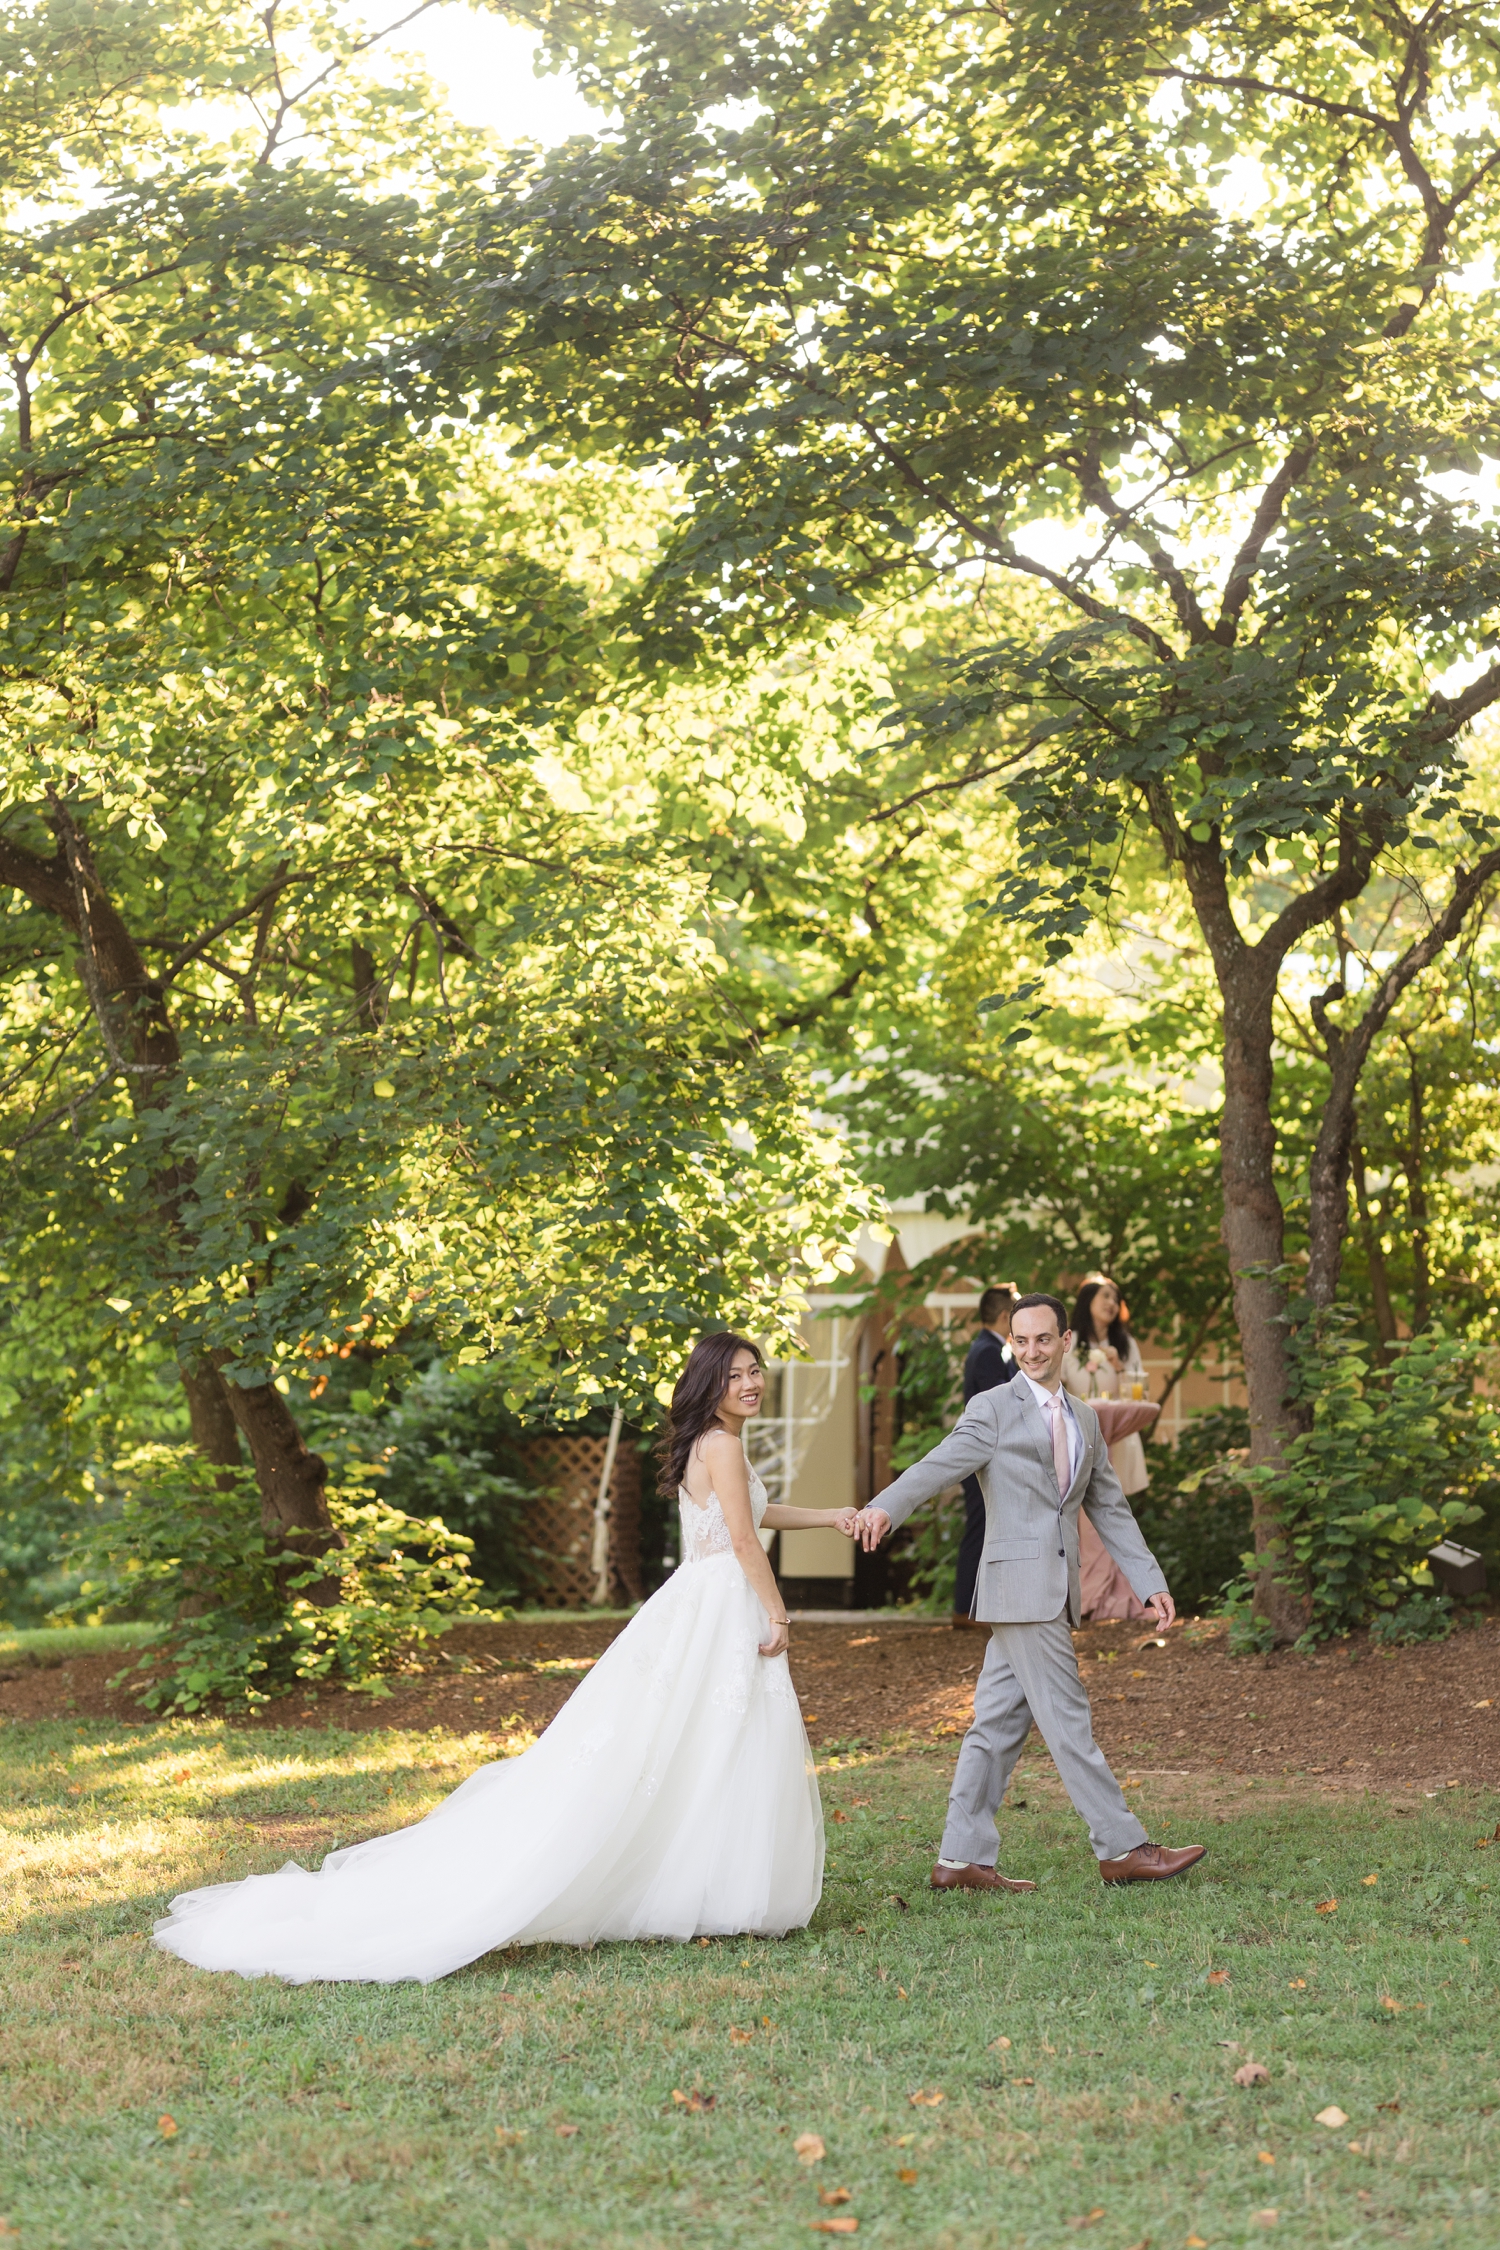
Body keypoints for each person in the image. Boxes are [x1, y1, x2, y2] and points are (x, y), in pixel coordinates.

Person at [153, 1333, 858, 1982]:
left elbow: (750, 1514)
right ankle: (714, 1884)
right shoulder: (724, 1445)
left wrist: (829, 1517)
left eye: (755, 1369)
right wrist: (777, 1610)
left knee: (696, 1743)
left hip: (697, 1602)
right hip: (721, 1603)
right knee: (712, 1741)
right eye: (735, 1374)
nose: (751, 1382)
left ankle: (706, 1880)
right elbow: (739, 1540)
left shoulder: (710, 1443)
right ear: (709, 1385)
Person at [852, 1293, 1204, 1891]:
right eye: (1021, 1341)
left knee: (994, 1727)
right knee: (1068, 1720)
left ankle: (960, 1860)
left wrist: (1150, 1583)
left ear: (1066, 1341)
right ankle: (1121, 1847)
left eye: (1044, 1339)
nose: (1033, 1351)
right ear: (1010, 1344)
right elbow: (939, 1464)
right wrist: (886, 1507)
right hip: (1019, 1588)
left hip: (1048, 1590)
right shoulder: (992, 1408)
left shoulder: (1086, 1418)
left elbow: (1109, 1508)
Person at [1063, 1274, 1152, 1622]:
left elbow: (1140, 1390)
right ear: (1087, 1300)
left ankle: (1121, 1594)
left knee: (1116, 1513)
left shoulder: (1126, 1344)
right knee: (1082, 1518)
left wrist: (1118, 1366)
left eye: (1116, 1297)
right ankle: (1088, 1593)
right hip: (1079, 1439)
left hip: (1118, 1440)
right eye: (1105, 1295)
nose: (1112, 1303)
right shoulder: (1069, 1342)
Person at [954, 1285, 1018, 1628]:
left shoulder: (990, 1349)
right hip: (983, 1457)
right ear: (1006, 1316)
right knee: (979, 1529)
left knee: (983, 1528)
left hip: (986, 1456)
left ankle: (973, 1606)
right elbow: (1000, 1406)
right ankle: (965, 1609)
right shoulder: (989, 1352)